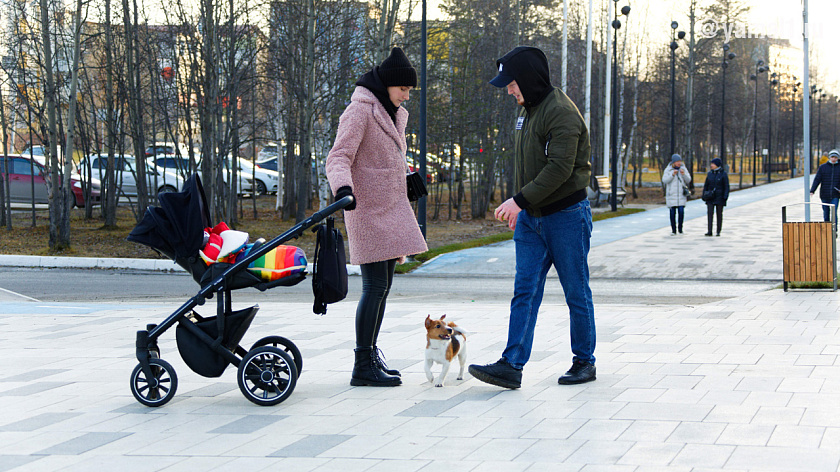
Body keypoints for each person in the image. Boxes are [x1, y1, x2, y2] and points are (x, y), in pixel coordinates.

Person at [468, 46, 596, 389]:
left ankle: (584, 361)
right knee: (524, 292)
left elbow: (559, 169)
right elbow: (530, 162)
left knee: (576, 292)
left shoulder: (561, 113)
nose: (508, 90)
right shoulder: (527, 109)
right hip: (531, 219)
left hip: (566, 216)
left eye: (511, 83)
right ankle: (512, 364)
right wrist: (522, 206)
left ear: (527, 79)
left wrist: (519, 200)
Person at [325, 47, 428, 387]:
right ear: (388, 86)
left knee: (383, 287)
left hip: (390, 208)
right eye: (404, 89)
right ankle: (361, 365)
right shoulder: (359, 112)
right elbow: (338, 156)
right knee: (374, 287)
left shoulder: (388, 111)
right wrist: (343, 190)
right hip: (366, 209)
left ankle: (370, 355)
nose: (407, 95)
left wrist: (404, 175)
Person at [810, 149, 840, 229]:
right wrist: (812, 190)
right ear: (829, 157)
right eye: (832, 157)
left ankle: (834, 230)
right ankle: (827, 229)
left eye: (835, 157)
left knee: (834, 213)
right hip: (824, 194)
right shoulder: (823, 167)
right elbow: (817, 179)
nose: (834, 159)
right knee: (826, 213)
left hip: (835, 194)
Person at [662, 154, 692, 235]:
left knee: (681, 212)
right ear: (673, 162)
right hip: (672, 195)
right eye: (677, 162)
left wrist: (684, 174)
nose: (679, 163)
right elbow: (665, 180)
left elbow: (688, 180)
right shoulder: (668, 170)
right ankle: (673, 229)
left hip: (681, 195)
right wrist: (672, 175)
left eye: (680, 161)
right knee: (672, 213)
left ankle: (680, 228)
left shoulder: (683, 169)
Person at [702, 157, 730, 236]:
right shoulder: (710, 174)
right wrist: (704, 194)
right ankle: (709, 230)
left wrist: (725, 196)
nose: (711, 165)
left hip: (719, 197)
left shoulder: (723, 174)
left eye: (713, 164)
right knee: (710, 214)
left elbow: (726, 186)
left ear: (717, 165)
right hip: (710, 197)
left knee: (719, 214)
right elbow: (706, 185)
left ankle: (718, 230)